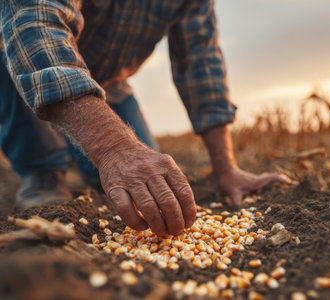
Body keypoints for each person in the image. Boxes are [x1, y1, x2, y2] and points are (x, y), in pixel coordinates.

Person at [0, 0, 290, 236]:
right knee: (11, 54)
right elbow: (34, 25)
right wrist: (112, 145)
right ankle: (42, 170)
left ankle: (77, 137)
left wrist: (226, 169)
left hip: (109, 83)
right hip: (22, 60)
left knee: (145, 184)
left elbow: (202, 67)